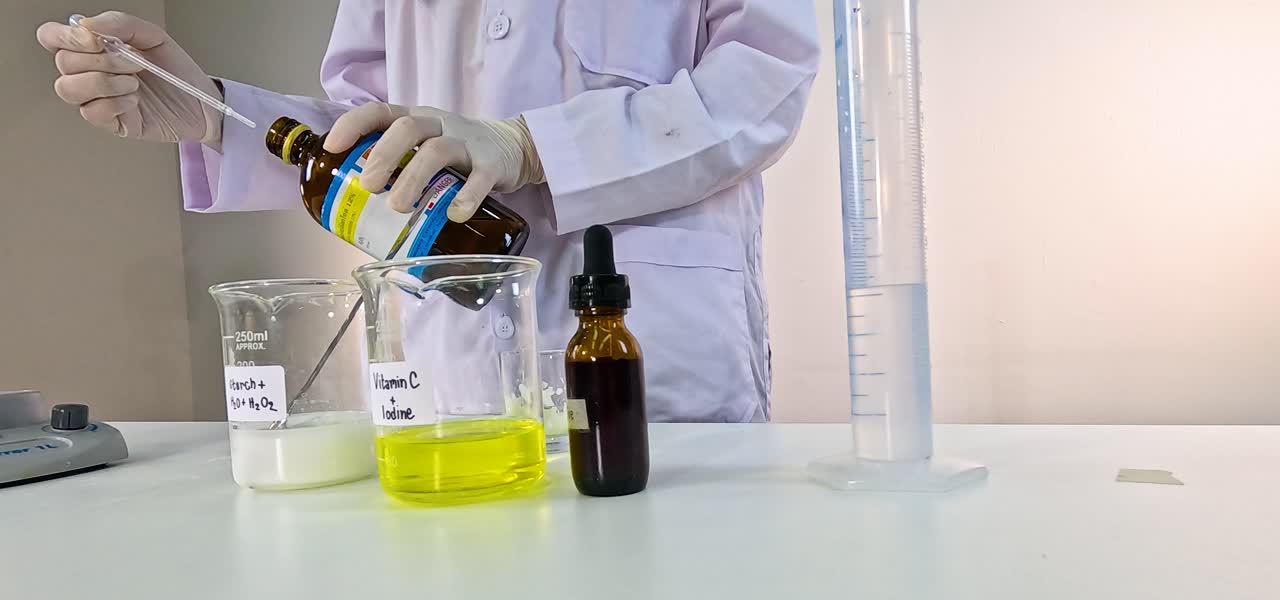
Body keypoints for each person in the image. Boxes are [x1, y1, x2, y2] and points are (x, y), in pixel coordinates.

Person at [38, 3, 819, 423]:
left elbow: (765, 85)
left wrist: (531, 146)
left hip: (656, 366)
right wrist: (211, 111)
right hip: (457, 376)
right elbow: (367, 139)